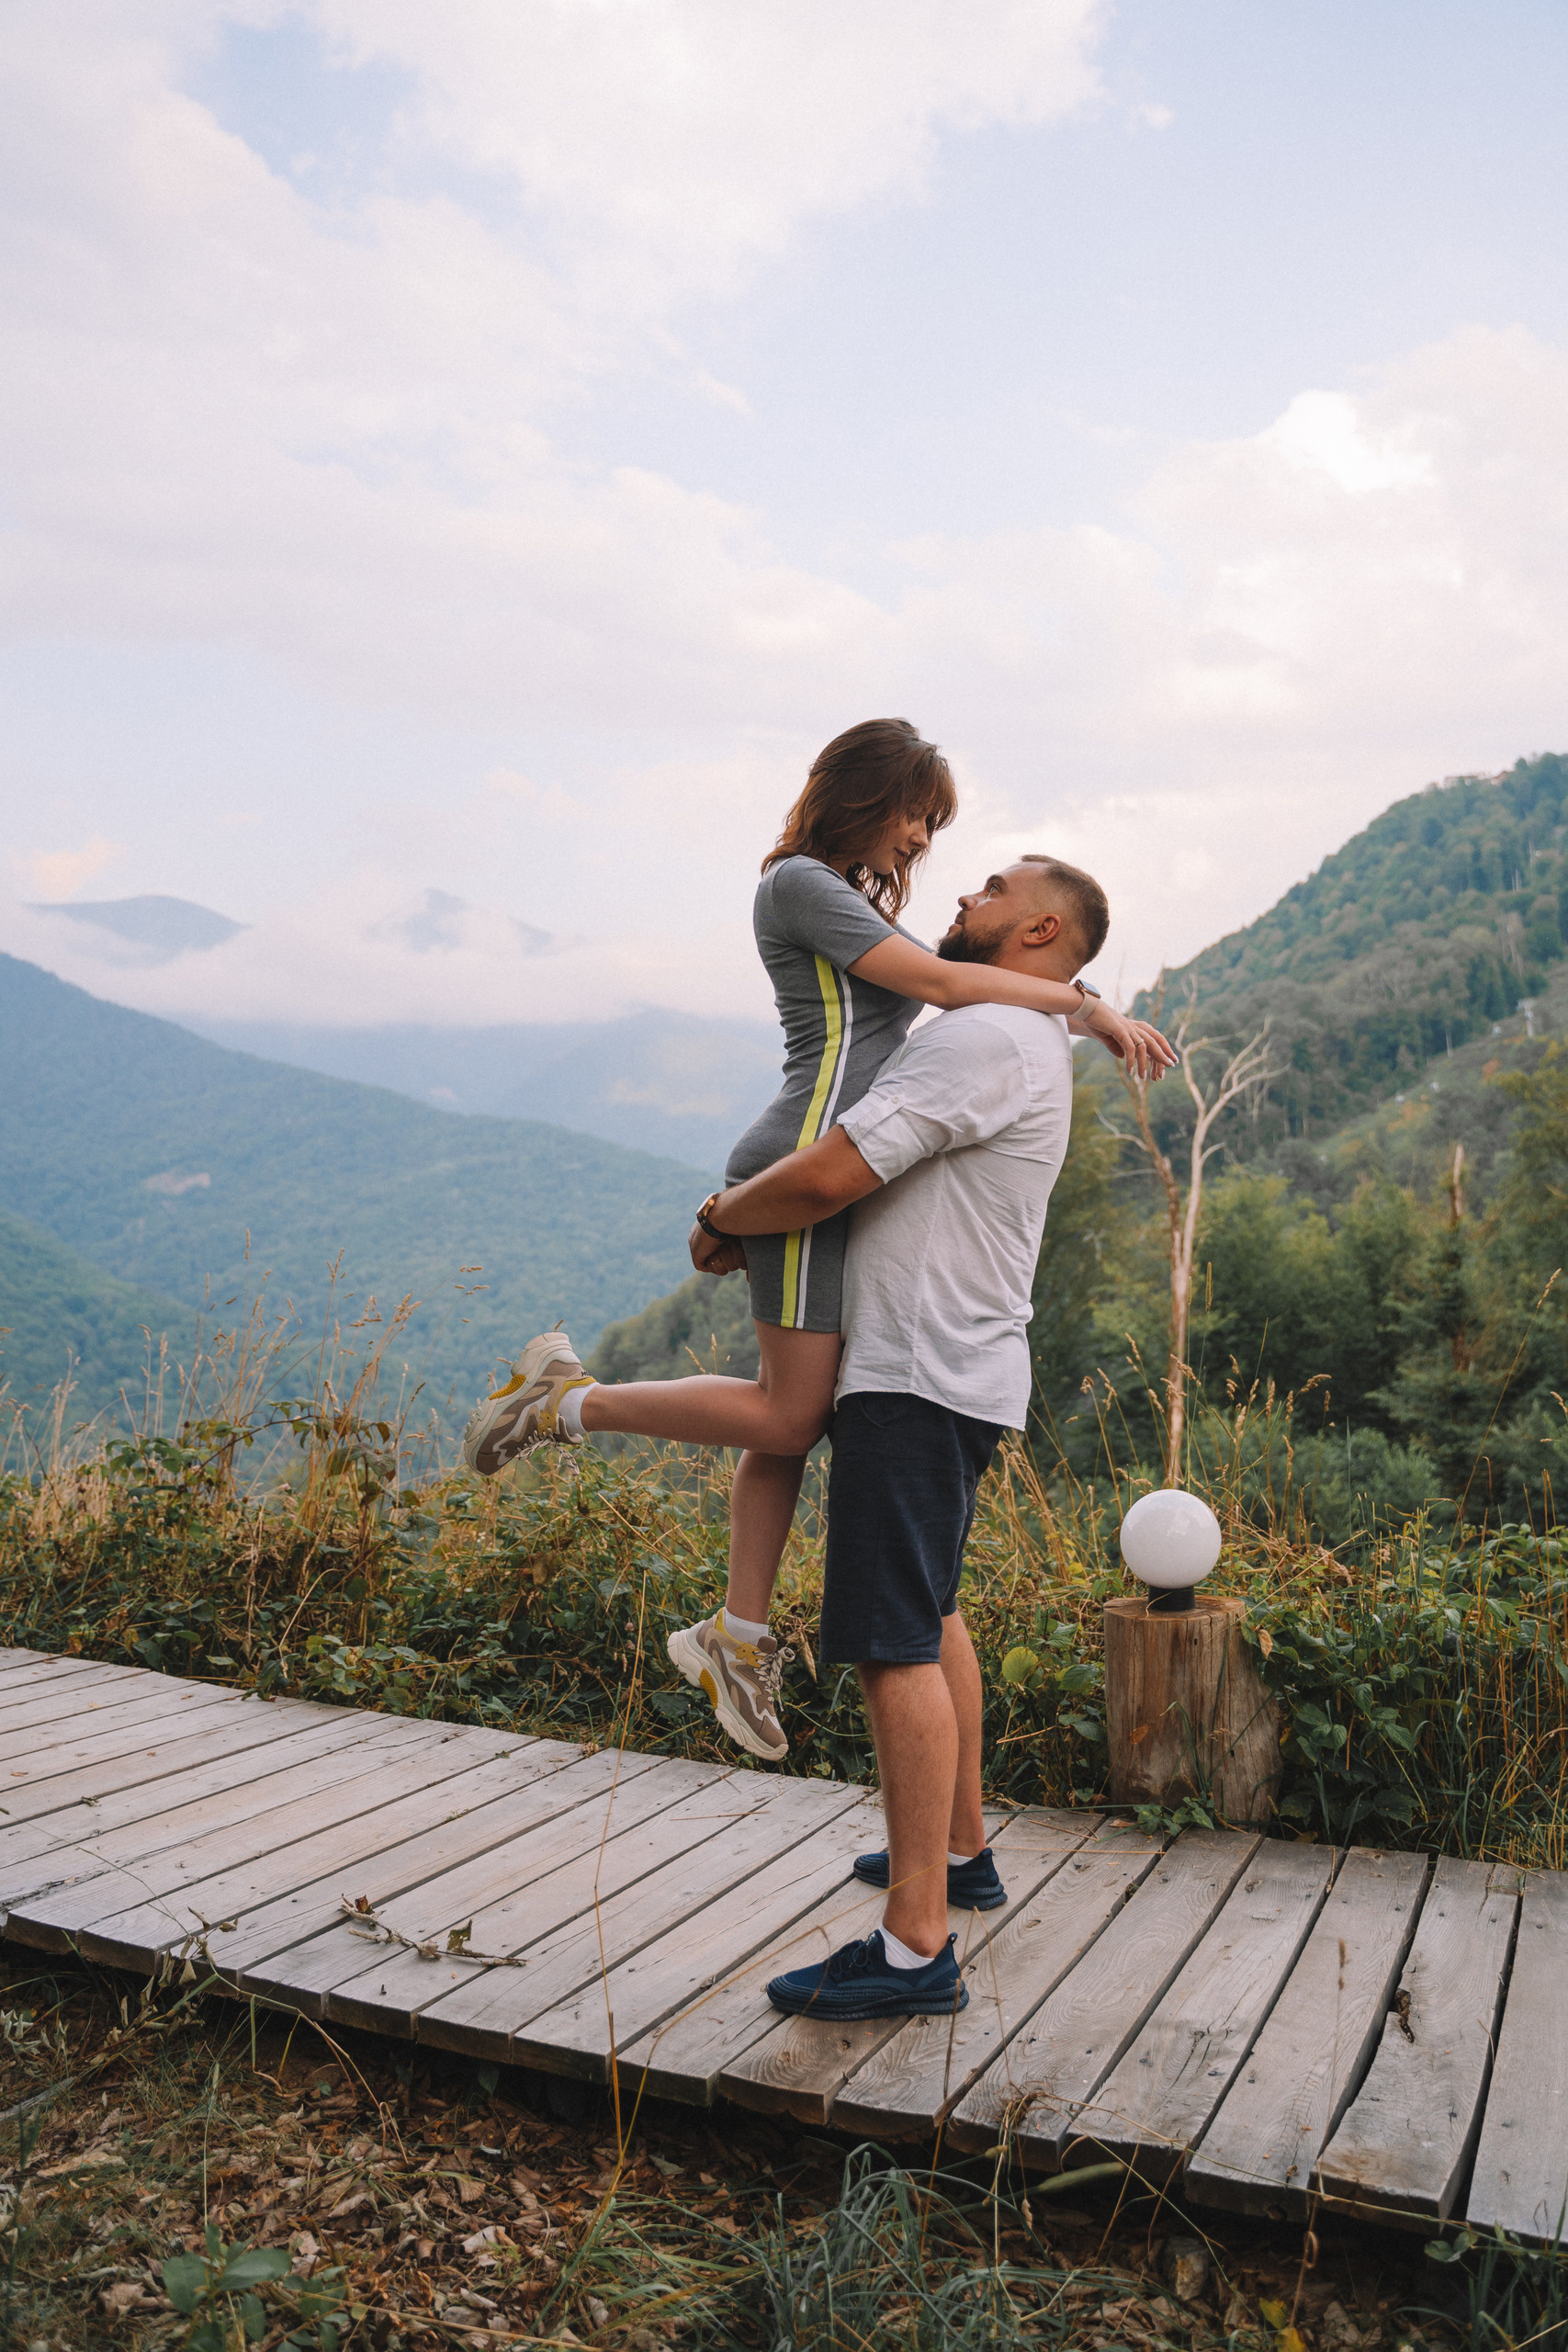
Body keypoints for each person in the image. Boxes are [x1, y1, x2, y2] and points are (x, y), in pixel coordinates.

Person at [462, 723, 1173, 1764]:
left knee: (790, 1415)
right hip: (804, 1161)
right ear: (866, 795)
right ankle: (565, 1403)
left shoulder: (847, 900)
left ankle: (737, 1635)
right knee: (791, 1412)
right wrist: (1087, 1008)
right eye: (918, 813)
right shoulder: (797, 883)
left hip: (822, 1164)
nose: (926, 841)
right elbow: (946, 986)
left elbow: (974, 979)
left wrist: (1083, 1005)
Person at [693, 854, 1114, 2019]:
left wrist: (724, 1216)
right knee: (930, 1613)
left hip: (914, 1376)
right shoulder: (1022, 1033)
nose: (964, 893)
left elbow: (834, 1170)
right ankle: (962, 1852)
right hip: (956, 1369)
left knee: (890, 1646)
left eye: (989, 885)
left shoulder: (987, 1039)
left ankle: (917, 1943)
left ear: (1037, 930)